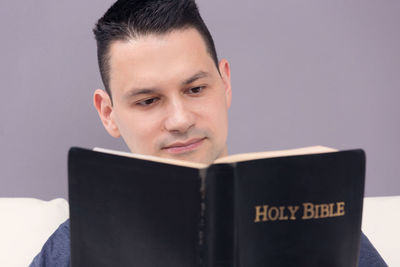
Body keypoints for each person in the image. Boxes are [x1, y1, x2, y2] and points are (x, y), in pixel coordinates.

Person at [30, 0, 387, 266]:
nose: (180, 119)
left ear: (225, 83)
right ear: (108, 113)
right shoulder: (71, 248)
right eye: (148, 100)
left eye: (196, 89)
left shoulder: (321, 223)